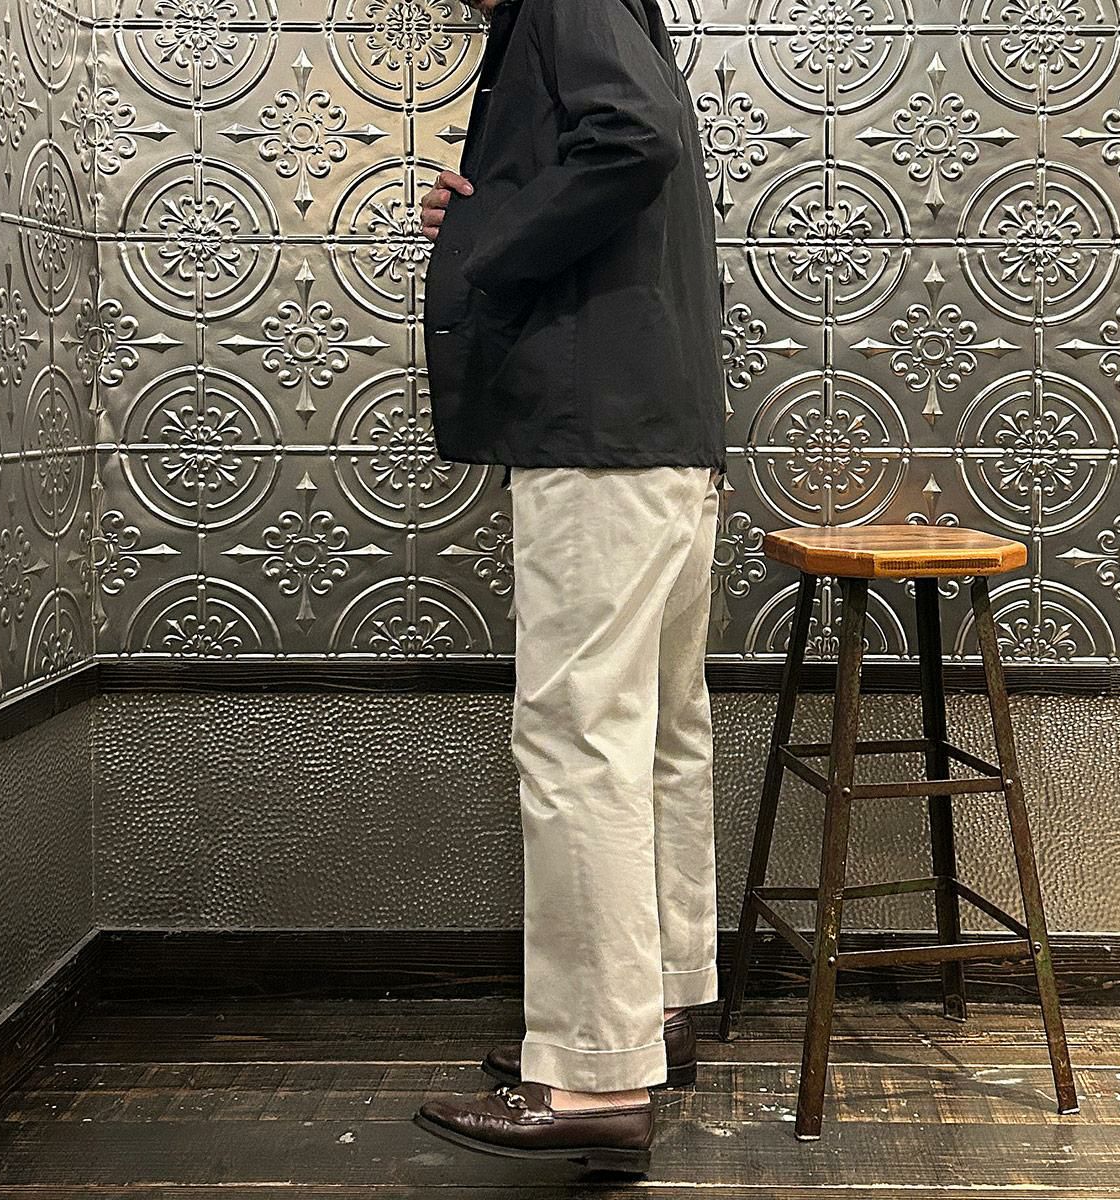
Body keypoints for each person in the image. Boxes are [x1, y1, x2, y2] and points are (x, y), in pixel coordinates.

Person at [411, 0, 727, 1175]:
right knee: (658, 736)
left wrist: (486, 241)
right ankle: (657, 1010)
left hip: (600, 442)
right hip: (664, 432)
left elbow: (632, 139)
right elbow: (629, 146)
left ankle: (596, 1074)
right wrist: (497, 204)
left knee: (578, 738)